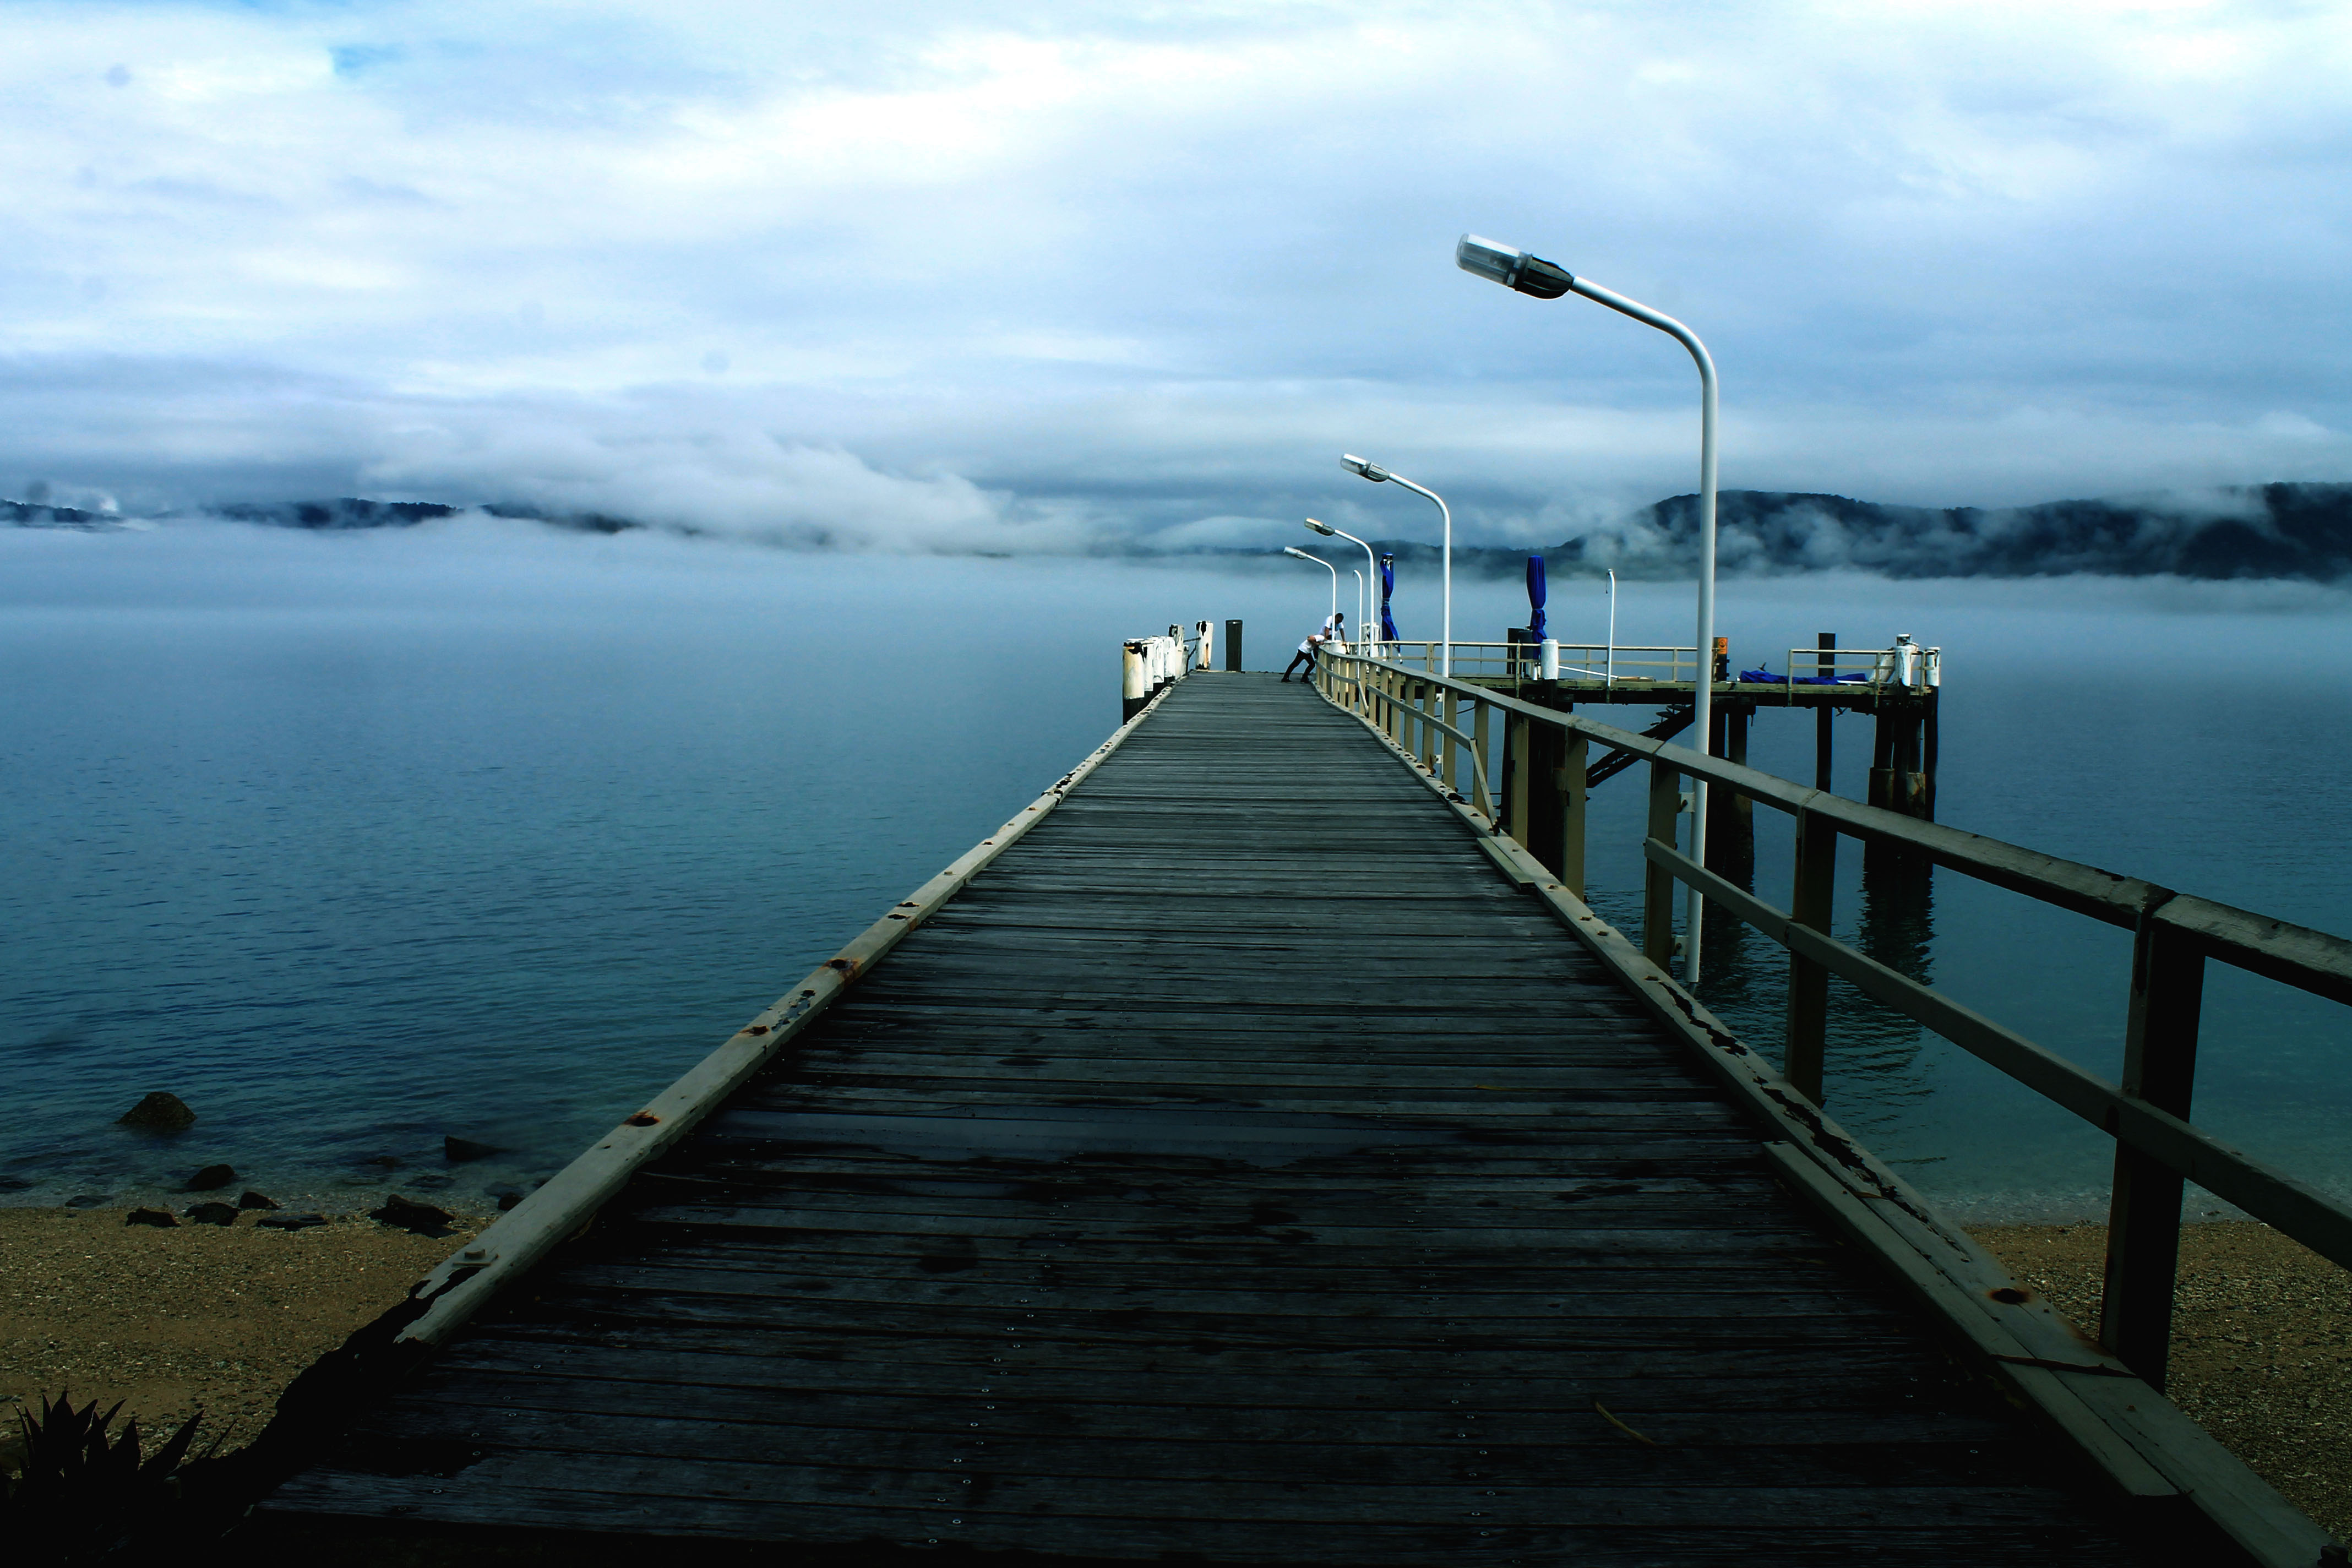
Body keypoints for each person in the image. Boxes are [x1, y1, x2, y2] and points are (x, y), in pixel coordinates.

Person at [1282, 612, 1343, 682]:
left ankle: (1297, 677)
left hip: (1306, 651)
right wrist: (1317, 644)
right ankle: (1297, 678)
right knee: (1302, 664)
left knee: (1303, 664)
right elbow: (1309, 638)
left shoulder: (1322, 640)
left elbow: (1315, 649)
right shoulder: (1321, 638)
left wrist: (1317, 654)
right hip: (1304, 650)